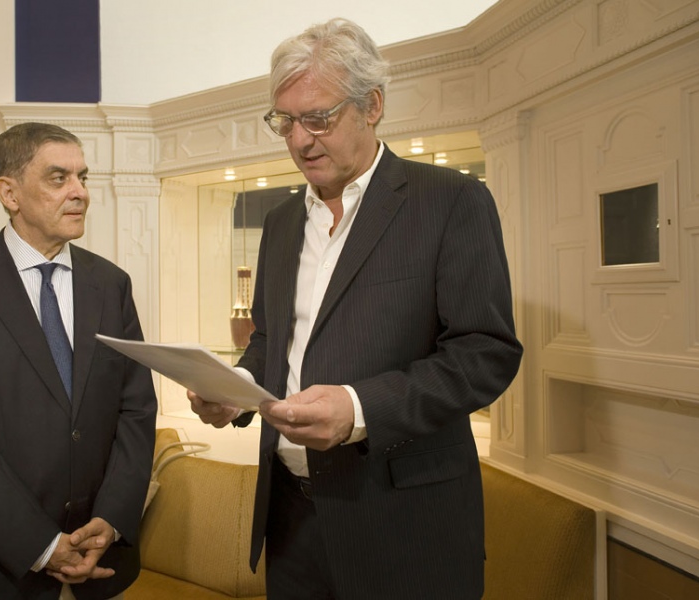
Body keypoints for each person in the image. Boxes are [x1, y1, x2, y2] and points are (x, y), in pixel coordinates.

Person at [188, 18, 523, 600]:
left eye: (318, 118)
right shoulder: (281, 223)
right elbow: (271, 341)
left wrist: (359, 408)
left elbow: (485, 354)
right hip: (291, 523)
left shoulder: (451, 201)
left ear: (372, 106)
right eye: (285, 121)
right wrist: (235, 389)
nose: (300, 140)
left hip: (405, 528)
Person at [0, 122, 157, 600]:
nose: (79, 192)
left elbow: (136, 410)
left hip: (100, 556)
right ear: (10, 193)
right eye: (58, 178)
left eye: (82, 177)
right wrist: (41, 546)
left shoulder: (111, 285)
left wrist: (112, 518)